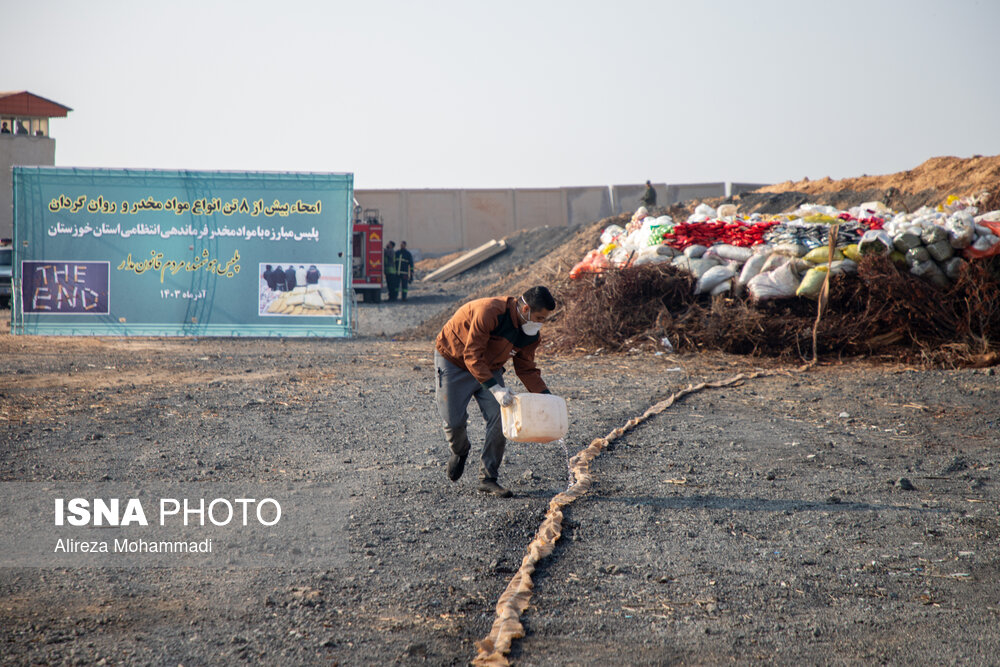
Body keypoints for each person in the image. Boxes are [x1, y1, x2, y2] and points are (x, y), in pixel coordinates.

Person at [434, 286, 556, 497]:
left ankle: (488, 478)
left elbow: (526, 368)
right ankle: (460, 451)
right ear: (525, 309)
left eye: (545, 319)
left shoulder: (530, 335)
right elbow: (471, 355)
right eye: (539, 317)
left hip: (490, 367)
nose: (541, 323)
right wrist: (496, 389)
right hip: (454, 361)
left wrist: (546, 397)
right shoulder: (489, 312)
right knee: (453, 422)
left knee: (501, 418)